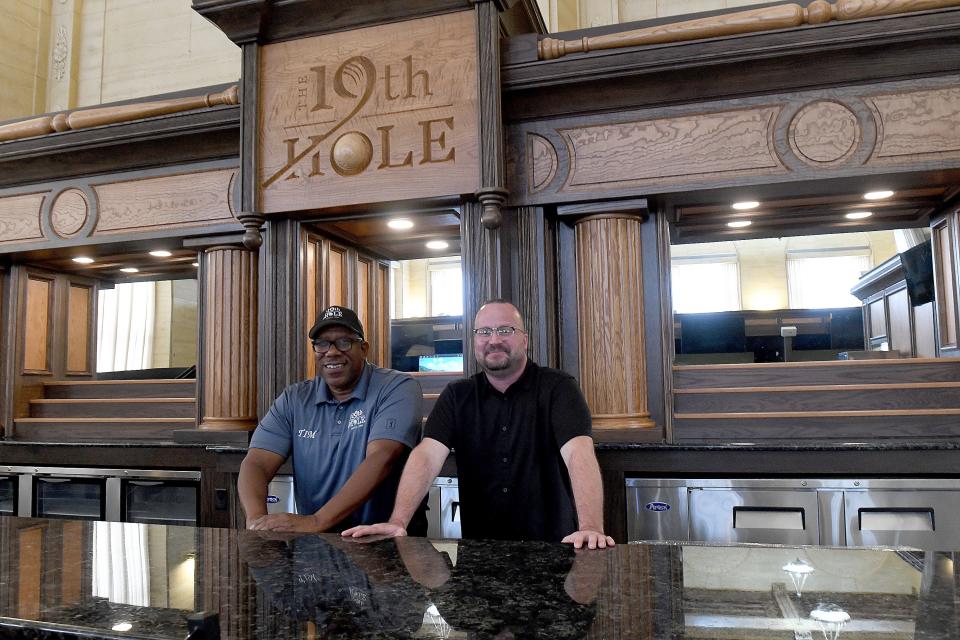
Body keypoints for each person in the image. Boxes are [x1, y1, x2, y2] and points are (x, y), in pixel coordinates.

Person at [344, 300, 615, 549]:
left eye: (504, 330)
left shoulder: (558, 388)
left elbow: (579, 453)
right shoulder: (456, 395)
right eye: (484, 332)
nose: (493, 340)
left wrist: (590, 527)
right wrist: (398, 521)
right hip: (479, 553)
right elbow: (426, 455)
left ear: (525, 340)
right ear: (474, 341)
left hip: (553, 550)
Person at [238, 305, 423, 533]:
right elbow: (256, 462)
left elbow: (384, 456)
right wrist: (256, 521)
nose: (332, 352)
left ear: (364, 349)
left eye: (344, 342)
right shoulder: (294, 399)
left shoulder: (397, 387)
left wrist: (317, 521)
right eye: (322, 344)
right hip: (317, 545)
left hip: (384, 541)